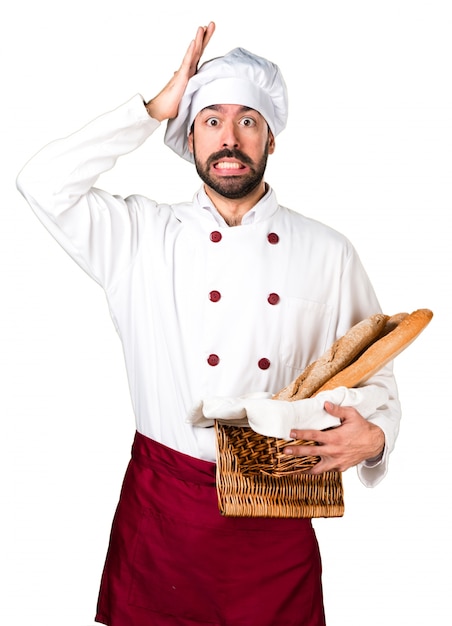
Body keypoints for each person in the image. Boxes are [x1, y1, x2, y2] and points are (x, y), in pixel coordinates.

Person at [17, 22, 401, 626]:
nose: (229, 137)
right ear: (187, 134)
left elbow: (376, 376)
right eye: (210, 119)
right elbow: (40, 183)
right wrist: (150, 108)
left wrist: (374, 438)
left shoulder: (329, 252)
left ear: (271, 138)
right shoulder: (139, 237)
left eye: (248, 120)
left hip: (277, 517)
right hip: (163, 516)